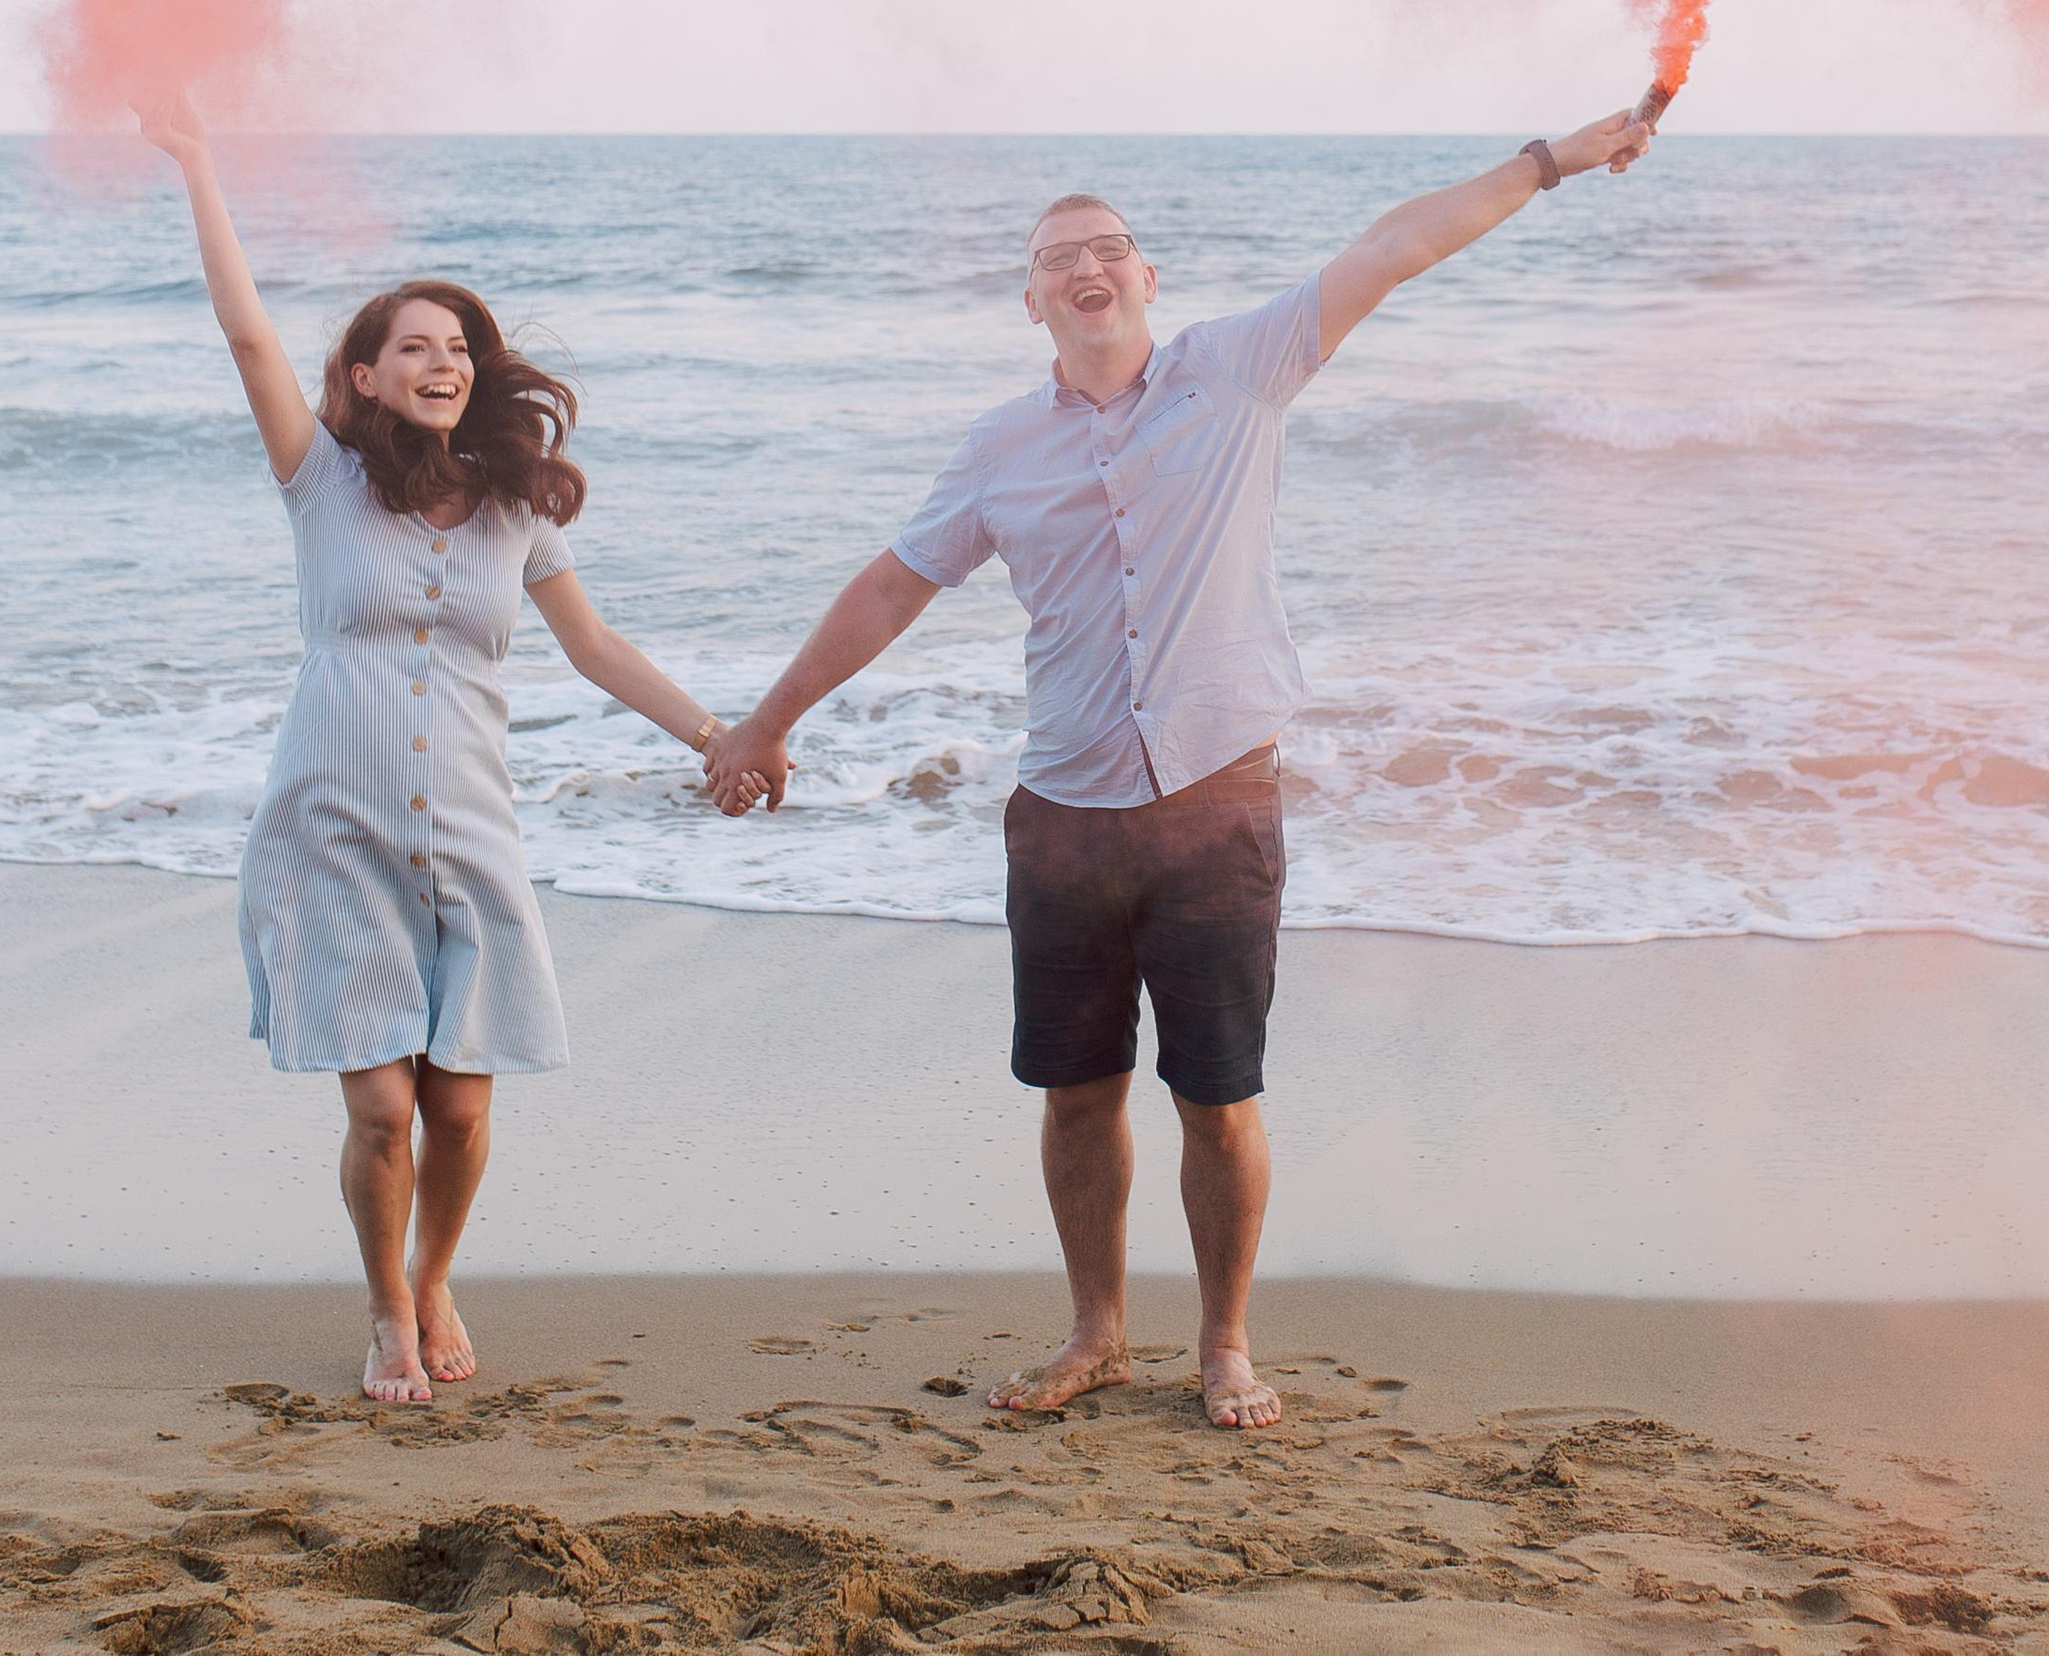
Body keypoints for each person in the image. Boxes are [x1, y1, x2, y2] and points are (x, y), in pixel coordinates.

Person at [704, 111, 1654, 1429]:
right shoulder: (997, 448)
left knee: (1218, 1096)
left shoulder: (1238, 371)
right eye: (1058, 258)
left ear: (1148, 279)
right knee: (1078, 1093)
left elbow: (1391, 248)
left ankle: (1224, 1345)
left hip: (1218, 807)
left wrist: (1551, 161)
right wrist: (765, 721)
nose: (1086, 268)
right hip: (1066, 819)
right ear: (1030, 298)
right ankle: (1095, 1335)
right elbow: (889, 588)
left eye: (1109, 249)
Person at [142, 95, 748, 1404]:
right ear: (363, 378)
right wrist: (199, 159)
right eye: (413, 346)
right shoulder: (320, 480)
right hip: (332, 832)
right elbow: (246, 332)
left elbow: (596, 648)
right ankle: (385, 1313)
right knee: (379, 1110)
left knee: (462, 1109)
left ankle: (434, 1272)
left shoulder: (518, 506)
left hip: (471, 832)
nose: (445, 359)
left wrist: (721, 735)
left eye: (460, 345)